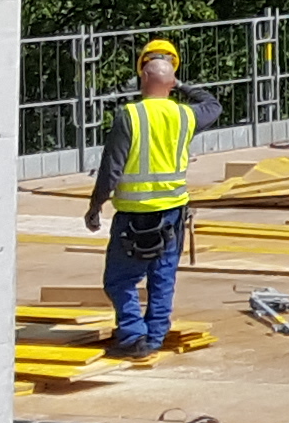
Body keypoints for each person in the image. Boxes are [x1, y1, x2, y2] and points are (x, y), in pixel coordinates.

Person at [82, 37, 222, 362]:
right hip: (172, 211)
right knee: (162, 276)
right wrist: (181, 84)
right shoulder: (185, 116)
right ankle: (153, 337)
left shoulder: (128, 116)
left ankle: (132, 335)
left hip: (134, 213)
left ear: (142, 76)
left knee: (120, 279)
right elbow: (213, 105)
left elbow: (111, 168)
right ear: (171, 81)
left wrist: (95, 205)